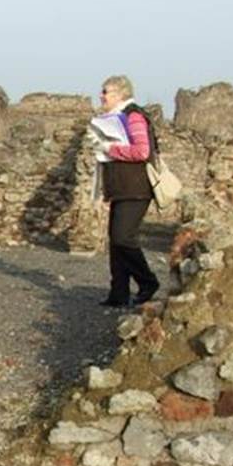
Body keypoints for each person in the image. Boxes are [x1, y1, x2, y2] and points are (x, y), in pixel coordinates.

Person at [92, 75, 160, 307]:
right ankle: (118, 294)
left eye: (106, 91)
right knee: (116, 241)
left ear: (120, 93)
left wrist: (111, 148)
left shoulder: (133, 116)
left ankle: (148, 281)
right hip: (121, 188)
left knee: (123, 237)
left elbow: (142, 151)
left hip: (136, 188)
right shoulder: (113, 118)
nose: (101, 95)